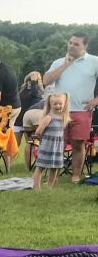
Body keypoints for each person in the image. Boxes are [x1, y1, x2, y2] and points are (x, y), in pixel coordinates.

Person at [42, 32, 98, 183]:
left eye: (76, 44)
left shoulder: (94, 61)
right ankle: (54, 176)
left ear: (85, 46)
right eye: (70, 43)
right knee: (57, 143)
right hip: (59, 111)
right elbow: (46, 80)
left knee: (78, 144)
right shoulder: (58, 62)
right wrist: (65, 65)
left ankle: (76, 176)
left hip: (82, 110)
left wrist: (96, 100)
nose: (72, 46)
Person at [32, 92, 70, 190]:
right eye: (55, 104)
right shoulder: (48, 117)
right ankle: (37, 188)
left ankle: (49, 187)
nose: (58, 106)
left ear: (64, 103)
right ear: (50, 105)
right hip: (47, 146)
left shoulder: (63, 118)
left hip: (57, 147)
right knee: (41, 166)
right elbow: (38, 130)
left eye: (60, 103)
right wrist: (41, 138)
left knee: (54, 167)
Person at [18, 71, 46, 170]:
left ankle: (29, 165)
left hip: (25, 116)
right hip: (36, 114)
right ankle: (41, 163)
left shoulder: (23, 91)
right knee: (40, 141)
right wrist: (35, 82)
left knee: (30, 142)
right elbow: (36, 95)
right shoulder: (38, 91)